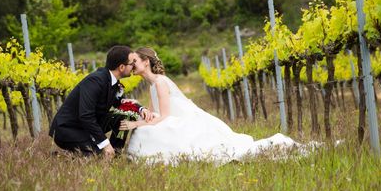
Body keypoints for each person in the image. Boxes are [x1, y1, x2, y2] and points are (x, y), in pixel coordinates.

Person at [120, 47, 301, 164]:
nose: (131, 65)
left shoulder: (160, 82)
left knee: (147, 131)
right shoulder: (153, 84)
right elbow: (153, 113)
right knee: (145, 130)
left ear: (146, 62)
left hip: (180, 120)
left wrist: (136, 124)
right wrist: (136, 109)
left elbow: (165, 116)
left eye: (134, 61)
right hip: (172, 118)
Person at [49, 45, 153, 159]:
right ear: (122, 67)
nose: (134, 66)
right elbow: (86, 116)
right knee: (98, 157)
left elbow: (122, 103)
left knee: (125, 115)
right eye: (132, 63)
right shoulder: (95, 81)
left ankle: (115, 152)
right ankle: (62, 157)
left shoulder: (113, 81)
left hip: (87, 126)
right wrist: (105, 143)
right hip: (68, 129)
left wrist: (140, 109)